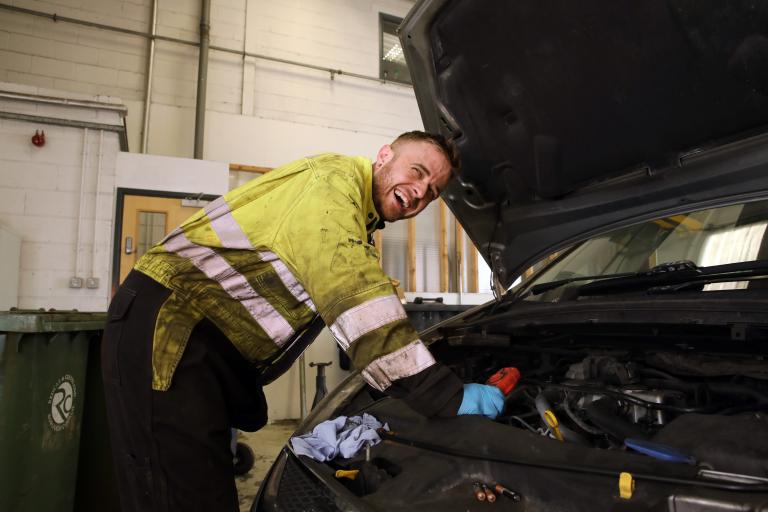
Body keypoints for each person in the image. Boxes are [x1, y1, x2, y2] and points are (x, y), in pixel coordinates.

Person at [101, 131, 504, 511]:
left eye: (432, 191)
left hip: (199, 340)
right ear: (385, 156)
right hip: (172, 329)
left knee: (200, 486)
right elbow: (350, 285)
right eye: (417, 173)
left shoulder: (355, 214)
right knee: (183, 495)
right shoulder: (332, 183)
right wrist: (443, 395)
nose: (420, 192)